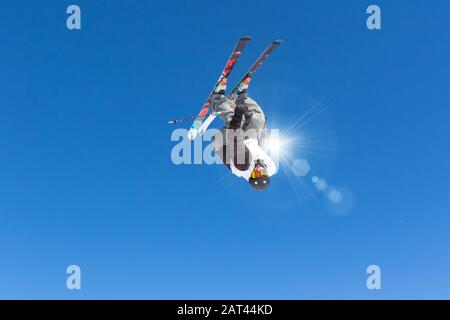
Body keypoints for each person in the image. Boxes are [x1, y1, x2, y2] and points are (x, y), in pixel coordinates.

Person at [210, 92, 277, 190]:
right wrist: (262, 129)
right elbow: (262, 149)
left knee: (236, 120)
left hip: (224, 143)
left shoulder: (243, 165)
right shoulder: (269, 166)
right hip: (247, 140)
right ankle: (239, 97)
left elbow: (235, 138)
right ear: (266, 173)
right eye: (261, 173)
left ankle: (216, 98)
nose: (258, 169)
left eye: (255, 173)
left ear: (251, 175)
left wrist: (238, 115)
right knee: (259, 119)